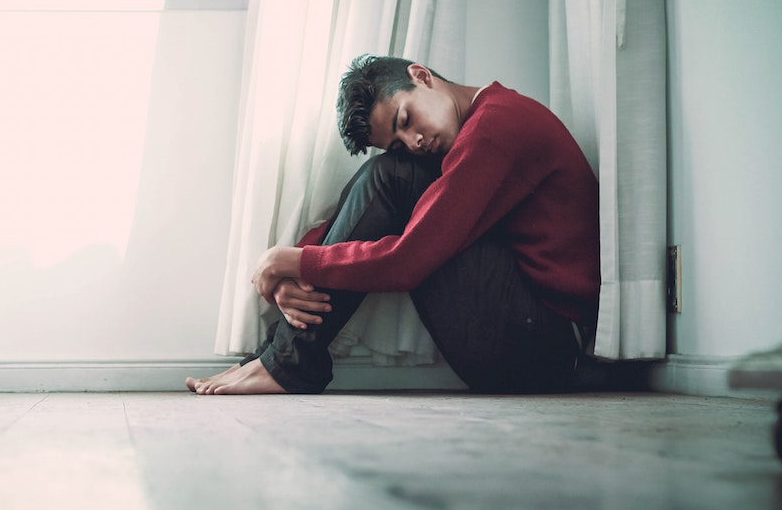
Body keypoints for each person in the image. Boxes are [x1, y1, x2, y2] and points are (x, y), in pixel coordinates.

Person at [187, 54, 600, 395]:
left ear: (421, 76)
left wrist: (293, 262)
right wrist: (291, 266)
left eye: (406, 119)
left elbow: (409, 261)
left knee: (392, 176)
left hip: (545, 348)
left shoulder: (497, 128)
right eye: (400, 139)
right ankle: (282, 358)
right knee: (390, 172)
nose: (415, 142)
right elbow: (367, 214)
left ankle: (287, 363)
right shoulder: (478, 127)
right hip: (528, 333)